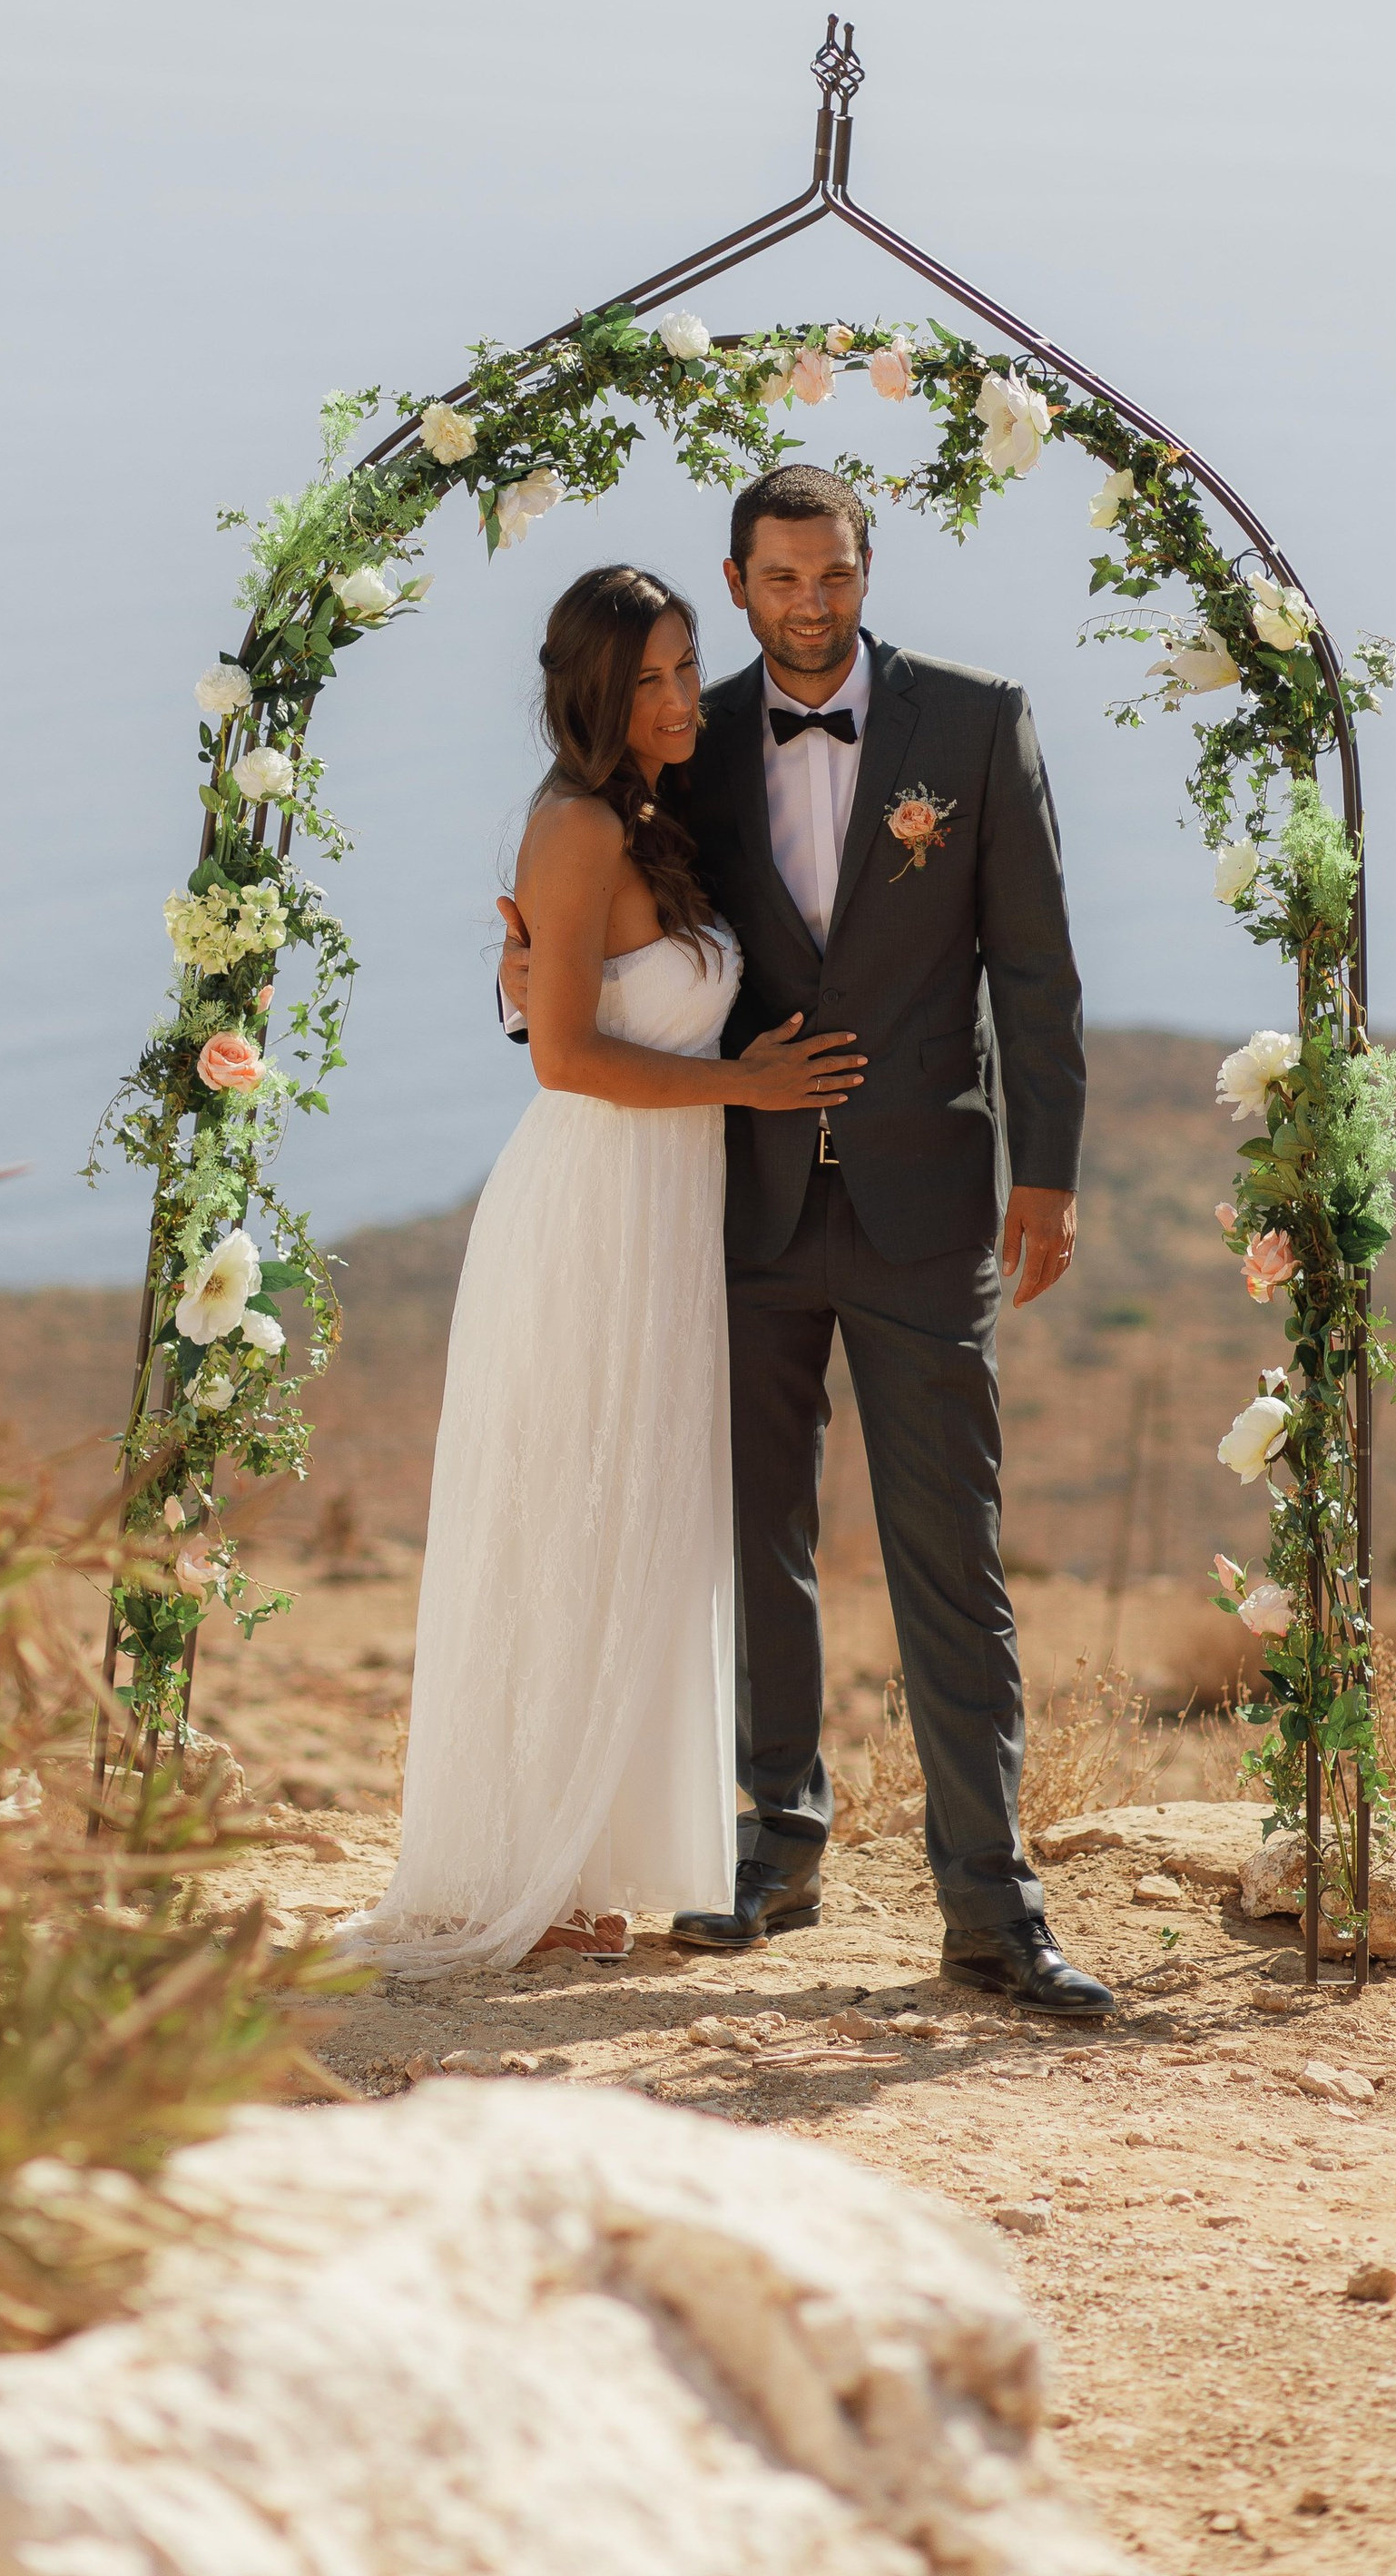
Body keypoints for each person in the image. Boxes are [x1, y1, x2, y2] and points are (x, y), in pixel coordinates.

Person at [505, 465, 1108, 2017]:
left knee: (949, 1558)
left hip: (924, 1214)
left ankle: (992, 1903)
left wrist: (1047, 1173)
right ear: (741, 579)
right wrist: (519, 966)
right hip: (742, 1210)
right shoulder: (684, 742)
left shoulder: (974, 723)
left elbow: (1034, 972)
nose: (810, 605)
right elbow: (600, 930)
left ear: (864, 567)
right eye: (779, 581)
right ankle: (775, 1846)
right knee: (756, 1540)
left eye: (833, 575)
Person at [339, 565, 860, 1978]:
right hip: (591, 1209)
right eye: (651, 680)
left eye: (691, 669)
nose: (684, 699)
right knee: (568, 1520)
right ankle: (536, 1870)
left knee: (638, 1523)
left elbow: (579, 1000)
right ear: (589, 690)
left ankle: (600, 1858)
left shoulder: (647, 813)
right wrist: (747, 1091)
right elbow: (565, 1056)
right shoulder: (571, 827)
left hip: (669, 1207)